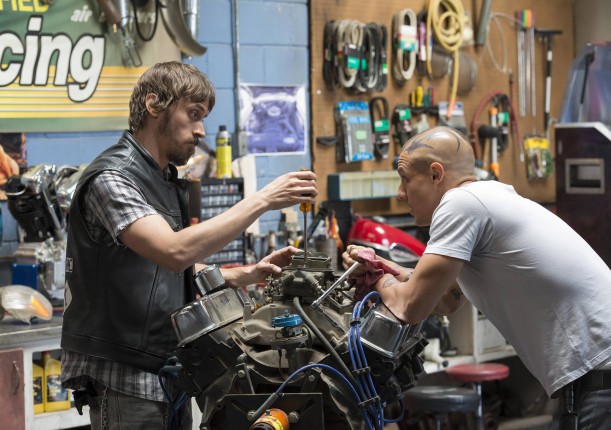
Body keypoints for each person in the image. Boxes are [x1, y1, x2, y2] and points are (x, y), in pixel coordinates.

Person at [60, 61, 317, 430]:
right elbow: (173, 251)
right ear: (154, 104)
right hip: (126, 378)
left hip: (167, 373)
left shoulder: (161, 178)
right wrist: (263, 199)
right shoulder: (112, 178)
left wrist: (246, 274)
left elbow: (153, 265)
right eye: (193, 114)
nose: (201, 131)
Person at [343, 126, 611, 429]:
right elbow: (447, 299)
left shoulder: (460, 204)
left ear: (435, 174)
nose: (400, 192)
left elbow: (409, 307)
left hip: (600, 378)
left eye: (405, 178)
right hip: (596, 375)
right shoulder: (487, 198)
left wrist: (375, 273)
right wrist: (384, 265)